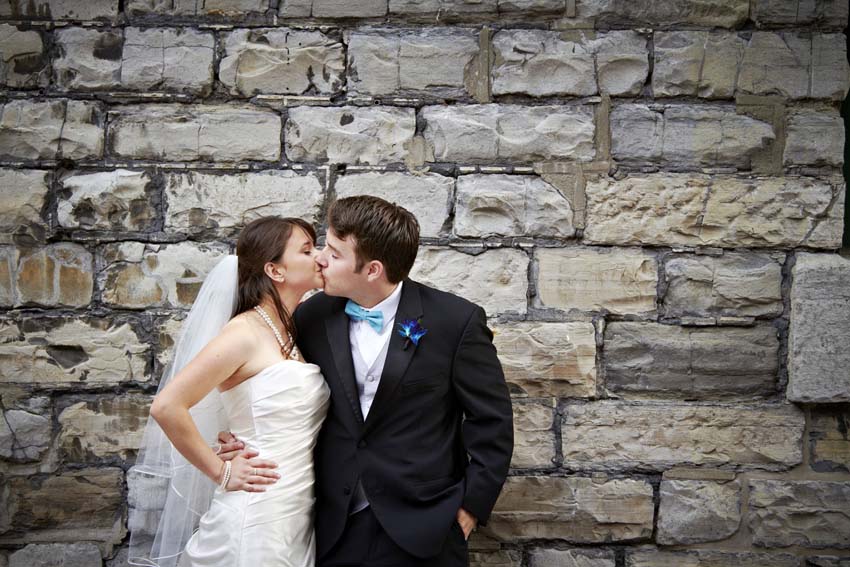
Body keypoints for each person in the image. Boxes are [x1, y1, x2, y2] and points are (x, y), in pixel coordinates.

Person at [219, 196, 514, 566]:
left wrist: (471, 507)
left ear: (373, 270)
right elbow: (263, 386)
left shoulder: (456, 321)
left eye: (335, 253)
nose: (321, 258)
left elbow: (492, 420)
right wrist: (238, 442)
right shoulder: (310, 317)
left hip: (425, 526)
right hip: (332, 525)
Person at [128, 216, 330, 567]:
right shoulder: (243, 333)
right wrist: (221, 471)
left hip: (293, 510)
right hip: (256, 512)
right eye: (307, 250)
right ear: (275, 270)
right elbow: (167, 406)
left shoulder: (288, 330)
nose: (321, 256)